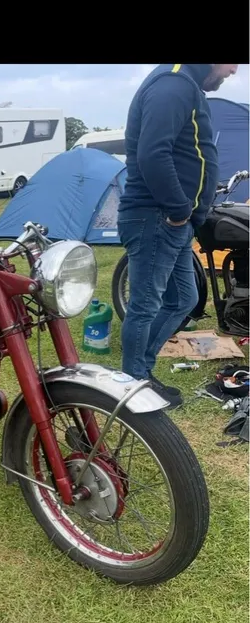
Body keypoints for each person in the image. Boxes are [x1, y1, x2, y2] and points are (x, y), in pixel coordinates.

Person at [118, 63, 239, 407]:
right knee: (145, 305)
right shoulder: (173, 85)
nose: (233, 71)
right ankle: (132, 386)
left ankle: (140, 371)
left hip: (172, 222)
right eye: (232, 62)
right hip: (156, 217)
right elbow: (153, 153)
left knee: (183, 299)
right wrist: (179, 209)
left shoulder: (184, 85)